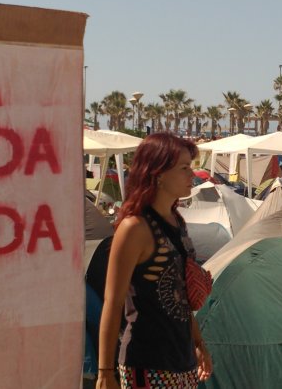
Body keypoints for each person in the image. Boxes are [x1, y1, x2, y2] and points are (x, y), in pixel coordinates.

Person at [97, 133, 213, 389]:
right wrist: (105, 373)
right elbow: (113, 302)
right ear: (158, 173)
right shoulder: (134, 228)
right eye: (184, 168)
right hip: (147, 363)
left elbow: (180, 297)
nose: (192, 175)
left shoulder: (177, 222)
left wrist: (198, 343)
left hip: (183, 361)